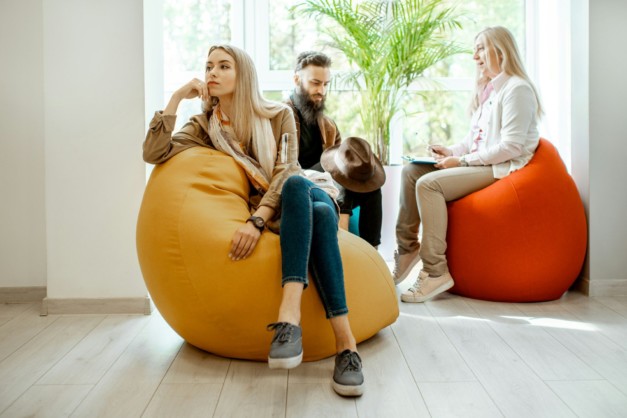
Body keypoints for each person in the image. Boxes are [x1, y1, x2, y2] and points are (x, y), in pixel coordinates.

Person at [142, 45, 364, 397]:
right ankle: (347, 346)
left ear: (242, 74)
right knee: (322, 217)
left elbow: (286, 170)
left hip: (300, 193)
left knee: (296, 184)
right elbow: (154, 153)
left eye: (223, 66)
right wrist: (175, 98)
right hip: (298, 212)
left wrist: (257, 220)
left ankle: (289, 319)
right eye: (209, 66)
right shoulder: (204, 126)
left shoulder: (278, 115)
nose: (212, 73)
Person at [393, 26, 543, 303]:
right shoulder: (489, 91)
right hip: (481, 163)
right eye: (475, 50)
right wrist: (450, 151)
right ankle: (407, 248)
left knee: (429, 185)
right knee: (412, 171)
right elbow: (475, 141)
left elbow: (510, 147)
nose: (475, 57)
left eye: (481, 48)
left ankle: (435, 271)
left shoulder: (517, 89)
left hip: (501, 168)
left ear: (501, 50)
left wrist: (460, 161)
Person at [285, 51, 384, 248]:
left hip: (329, 188)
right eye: (315, 83)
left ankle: (372, 253)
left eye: (325, 84)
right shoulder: (280, 116)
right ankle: (343, 239)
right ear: (297, 79)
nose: (321, 90)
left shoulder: (328, 124)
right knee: (339, 167)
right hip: (296, 185)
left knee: (371, 184)